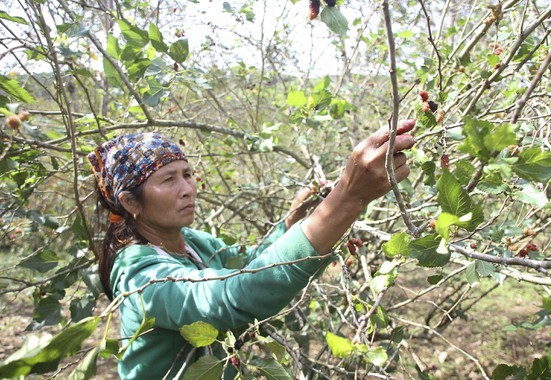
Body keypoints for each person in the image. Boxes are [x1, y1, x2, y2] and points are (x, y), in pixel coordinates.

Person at [87, 120, 415, 379]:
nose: (187, 189)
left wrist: (291, 222)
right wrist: (345, 199)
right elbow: (237, 295)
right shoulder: (142, 278)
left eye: (187, 174)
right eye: (168, 180)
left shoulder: (194, 244)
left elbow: (250, 266)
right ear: (131, 203)